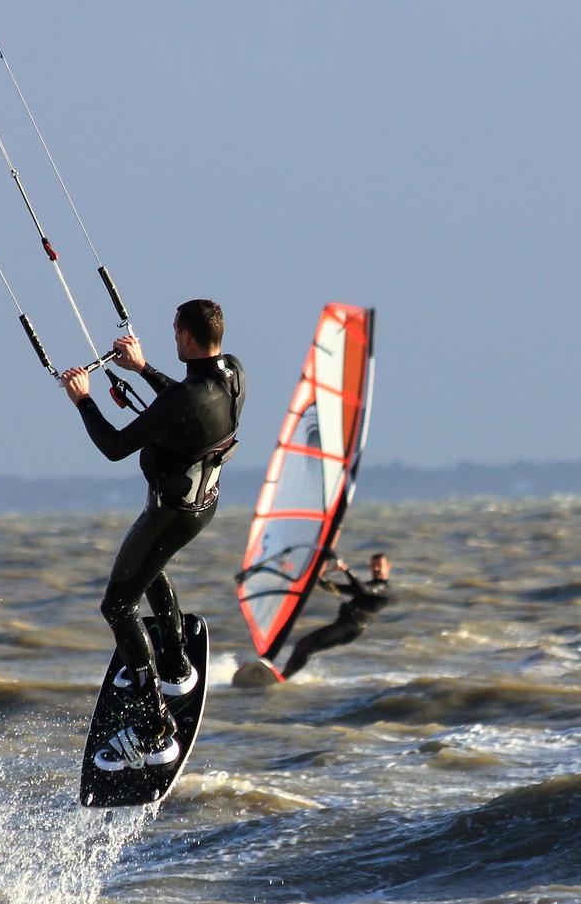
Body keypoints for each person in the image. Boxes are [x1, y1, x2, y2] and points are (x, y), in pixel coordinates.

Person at [60, 299, 245, 771]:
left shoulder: (185, 398)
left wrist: (83, 399)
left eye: (174, 332)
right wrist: (142, 368)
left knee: (118, 606)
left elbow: (116, 446)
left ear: (185, 336)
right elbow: (188, 404)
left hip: (170, 514)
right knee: (150, 567)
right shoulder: (231, 374)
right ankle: (176, 666)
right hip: (202, 504)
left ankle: (155, 728)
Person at [279, 552, 391, 679]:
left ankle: (284, 677)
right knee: (301, 644)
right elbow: (333, 587)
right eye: (373, 565)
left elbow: (363, 590)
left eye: (379, 565)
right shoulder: (369, 585)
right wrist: (317, 577)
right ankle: (283, 675)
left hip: (351, 628)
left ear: (388, 567)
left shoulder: (383, 588)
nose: (375, 569)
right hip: (342, 625)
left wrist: (347, 570)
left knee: (308, 645)